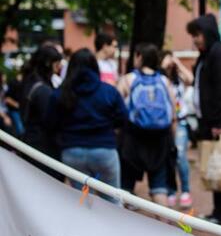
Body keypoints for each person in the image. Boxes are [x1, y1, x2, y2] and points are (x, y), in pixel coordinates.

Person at [46, 49, 127, 203]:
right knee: (112, 201)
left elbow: (50, 123)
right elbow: (123, 118)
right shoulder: (108, 91)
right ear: (95, 66)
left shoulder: (60, 94)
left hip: (72, 152)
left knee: (80, 201)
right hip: (104, 150)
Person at [187, 13, 221, 226]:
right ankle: (218, 210)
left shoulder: (220, 53)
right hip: (208, 120)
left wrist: (218, 122)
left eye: (197, 34)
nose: (195, 39)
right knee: (215, 164)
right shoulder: (207, 54)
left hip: (220, 122)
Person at [117, 43, 176, 206]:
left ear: (139, 57)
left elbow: (116, 109)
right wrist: (173, 139)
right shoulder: (164, 81)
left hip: (133, 139)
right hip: (160, 140)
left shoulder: (128, 79)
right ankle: (163, 226)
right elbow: (173, 114)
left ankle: (122, 225)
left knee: (125, 187)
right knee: (159, 188)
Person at [20, 45, 64, 180]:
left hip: (31, 143)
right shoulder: (43, 90)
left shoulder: (29, 82)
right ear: (48, 63)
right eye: (57, 62)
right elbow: (51, 121)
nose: (60, 66)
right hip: (44, 147)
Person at [160, 50, 194, 209]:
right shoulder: (160, 79)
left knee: (180, 155)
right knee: (167, 158)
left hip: (180, 121)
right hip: (165, 123)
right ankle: (171, 190)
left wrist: (177, 63)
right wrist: (163, 66)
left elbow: (190, 79)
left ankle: (185, 191)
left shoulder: (178, 78)